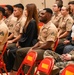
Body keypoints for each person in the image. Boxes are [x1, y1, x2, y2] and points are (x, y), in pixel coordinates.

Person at [10, 8, 58, 75]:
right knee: (20, 51)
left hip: (47, 50)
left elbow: (48, 45)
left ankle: (28, 73)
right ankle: (18, 71)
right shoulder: (44, 26)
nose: (40, 15)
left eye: (42, 14)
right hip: (41, 48)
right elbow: (39, 41)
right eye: (40, 13)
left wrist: (34, 49)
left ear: (49, 15)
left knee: (31, 53)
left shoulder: (51, 28)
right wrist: (32, 48)